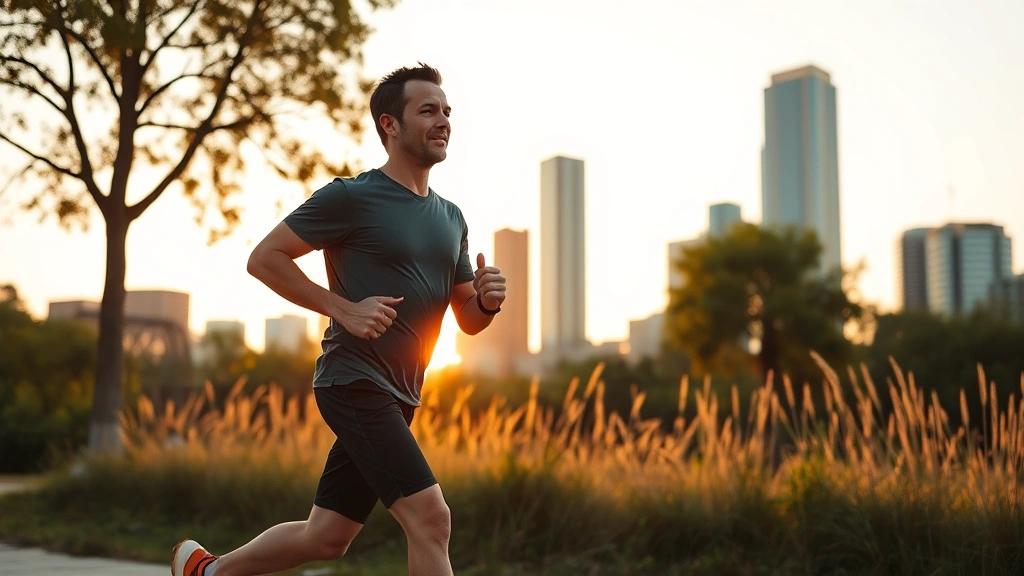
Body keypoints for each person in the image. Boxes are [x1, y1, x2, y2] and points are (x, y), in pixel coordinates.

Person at [171, 62, 506, 576]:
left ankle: (206, 572)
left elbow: (467, 319)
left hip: (401, 394)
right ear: (389, 125)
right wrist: (342, 308)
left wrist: (484, 301)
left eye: (446, 111)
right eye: (427, 110)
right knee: (431, 519)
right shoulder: (352, 196)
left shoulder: (452, 216)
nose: (443, 121)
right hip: (353, 381)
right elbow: (264, 258)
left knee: (326, 536)